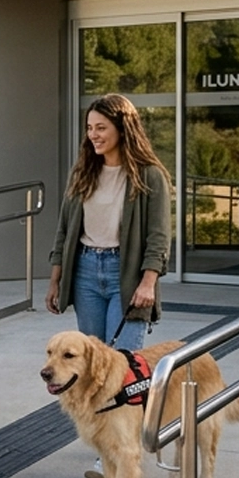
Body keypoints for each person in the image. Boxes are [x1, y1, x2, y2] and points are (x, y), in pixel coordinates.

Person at [46, 93, 172, 355]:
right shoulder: (82, 172)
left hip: (126, 274)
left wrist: (148, 283)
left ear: (123, 129)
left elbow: (158, 237)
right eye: (90, 128)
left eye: (101, 127)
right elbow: (64, 230)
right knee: (91, 362)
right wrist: (55, 280)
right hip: (85, 271)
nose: (94, 134)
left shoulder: (150, 175)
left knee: (122, 361)